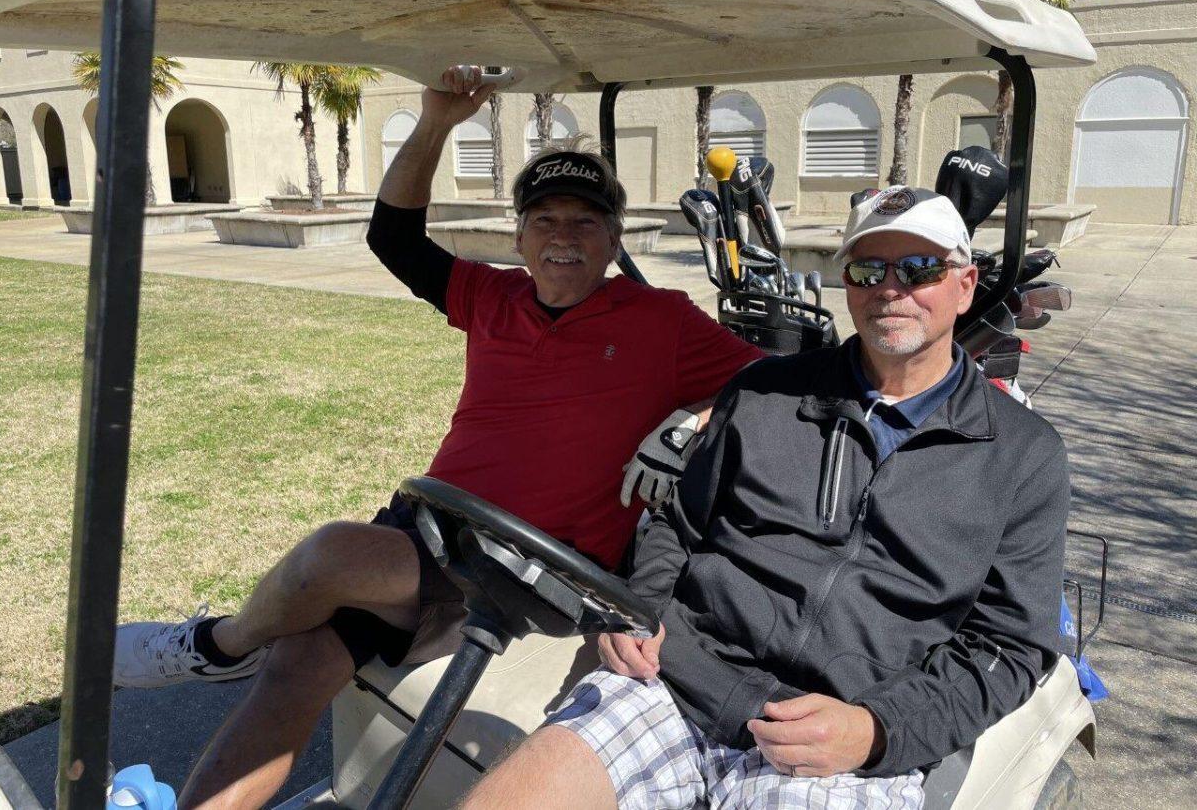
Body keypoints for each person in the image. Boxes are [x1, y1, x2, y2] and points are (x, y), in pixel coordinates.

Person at [111, 66, 763, 809]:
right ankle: (231, 687)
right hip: (433, 540)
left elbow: (779, 381)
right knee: (294, 667)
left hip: (545, 571)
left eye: (584, 221)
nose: (563, 237)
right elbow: (394, 237)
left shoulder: (662, 319)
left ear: (614, 241)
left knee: (329, 553)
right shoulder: (490, 295)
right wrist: (434, 123)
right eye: (544, 219)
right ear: (517, 238)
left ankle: (219, 645)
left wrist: (695, 420)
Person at [463, 185, 1071, 810]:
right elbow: (677, 522)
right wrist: (639, 612)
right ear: (847, 284)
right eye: (869, 269)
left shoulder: (1023, 454)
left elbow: (1009, 646)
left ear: (965, 284)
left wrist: (877, 730)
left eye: (920, 269)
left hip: (839, 742)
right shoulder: (764, 393)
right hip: (680, 683)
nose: (893, 288)